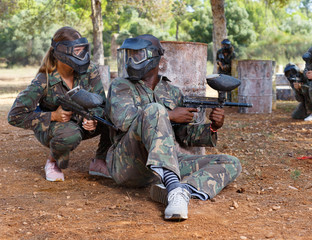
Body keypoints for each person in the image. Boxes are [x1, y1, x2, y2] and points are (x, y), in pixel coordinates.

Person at [106, 34, 241, 221]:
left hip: (167, 163)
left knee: (230, 162)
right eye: (129, 54)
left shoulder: (172, 92)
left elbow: (184, 135)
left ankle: (181, 190)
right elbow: (123, 120)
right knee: (154, 110)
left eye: (136, 55)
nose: (131, 60)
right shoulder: (120, 86)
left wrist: (213, 127)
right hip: (129, 164)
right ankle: (174, 188)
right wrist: (169, 114)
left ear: (154, 57)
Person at [8, 26, 112, 182]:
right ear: (61, 53)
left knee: (114, 116)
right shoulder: (43, 80)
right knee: (69, 133)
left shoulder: (90, 70)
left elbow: (100, 102)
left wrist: (93, 117)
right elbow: (15, 116)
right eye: (77, 51)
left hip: (82, 124)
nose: (82, 55)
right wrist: (53, 116)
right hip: (53, 128)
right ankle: (53, 161)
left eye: (83, 50)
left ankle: (100, 161)